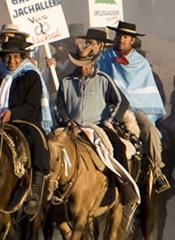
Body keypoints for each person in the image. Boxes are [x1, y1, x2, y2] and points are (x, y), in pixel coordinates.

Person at [0, 39, 52, 208]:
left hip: (21, 120)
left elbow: (32, 104)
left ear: (21, 57)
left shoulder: (31, 75)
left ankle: (34, 188)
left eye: (15, 57)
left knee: (37, 141)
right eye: (7, 57)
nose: (11, 61)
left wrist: (12, 113)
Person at [59, 49, 140, 205]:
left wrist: (108, 120)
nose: (83, 68)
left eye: (87, 64)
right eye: (80, 64)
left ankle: (124, 186)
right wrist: (66, 120)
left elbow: (121, 102)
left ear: (93, 62)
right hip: (71, 126)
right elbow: (59, 106)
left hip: (97, 125)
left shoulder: (103, 79)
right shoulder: (66, 81)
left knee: (117, 146)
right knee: (51, 147)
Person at [97, 21, 167, 185]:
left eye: (125, 36)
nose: (121, 39)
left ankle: (156, 170)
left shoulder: (141, 64)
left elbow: (143, 92)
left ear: (132, 40)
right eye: (119, 35)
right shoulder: (103, 57)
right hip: (106, 107)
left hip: (134, 108)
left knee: (150, 130)